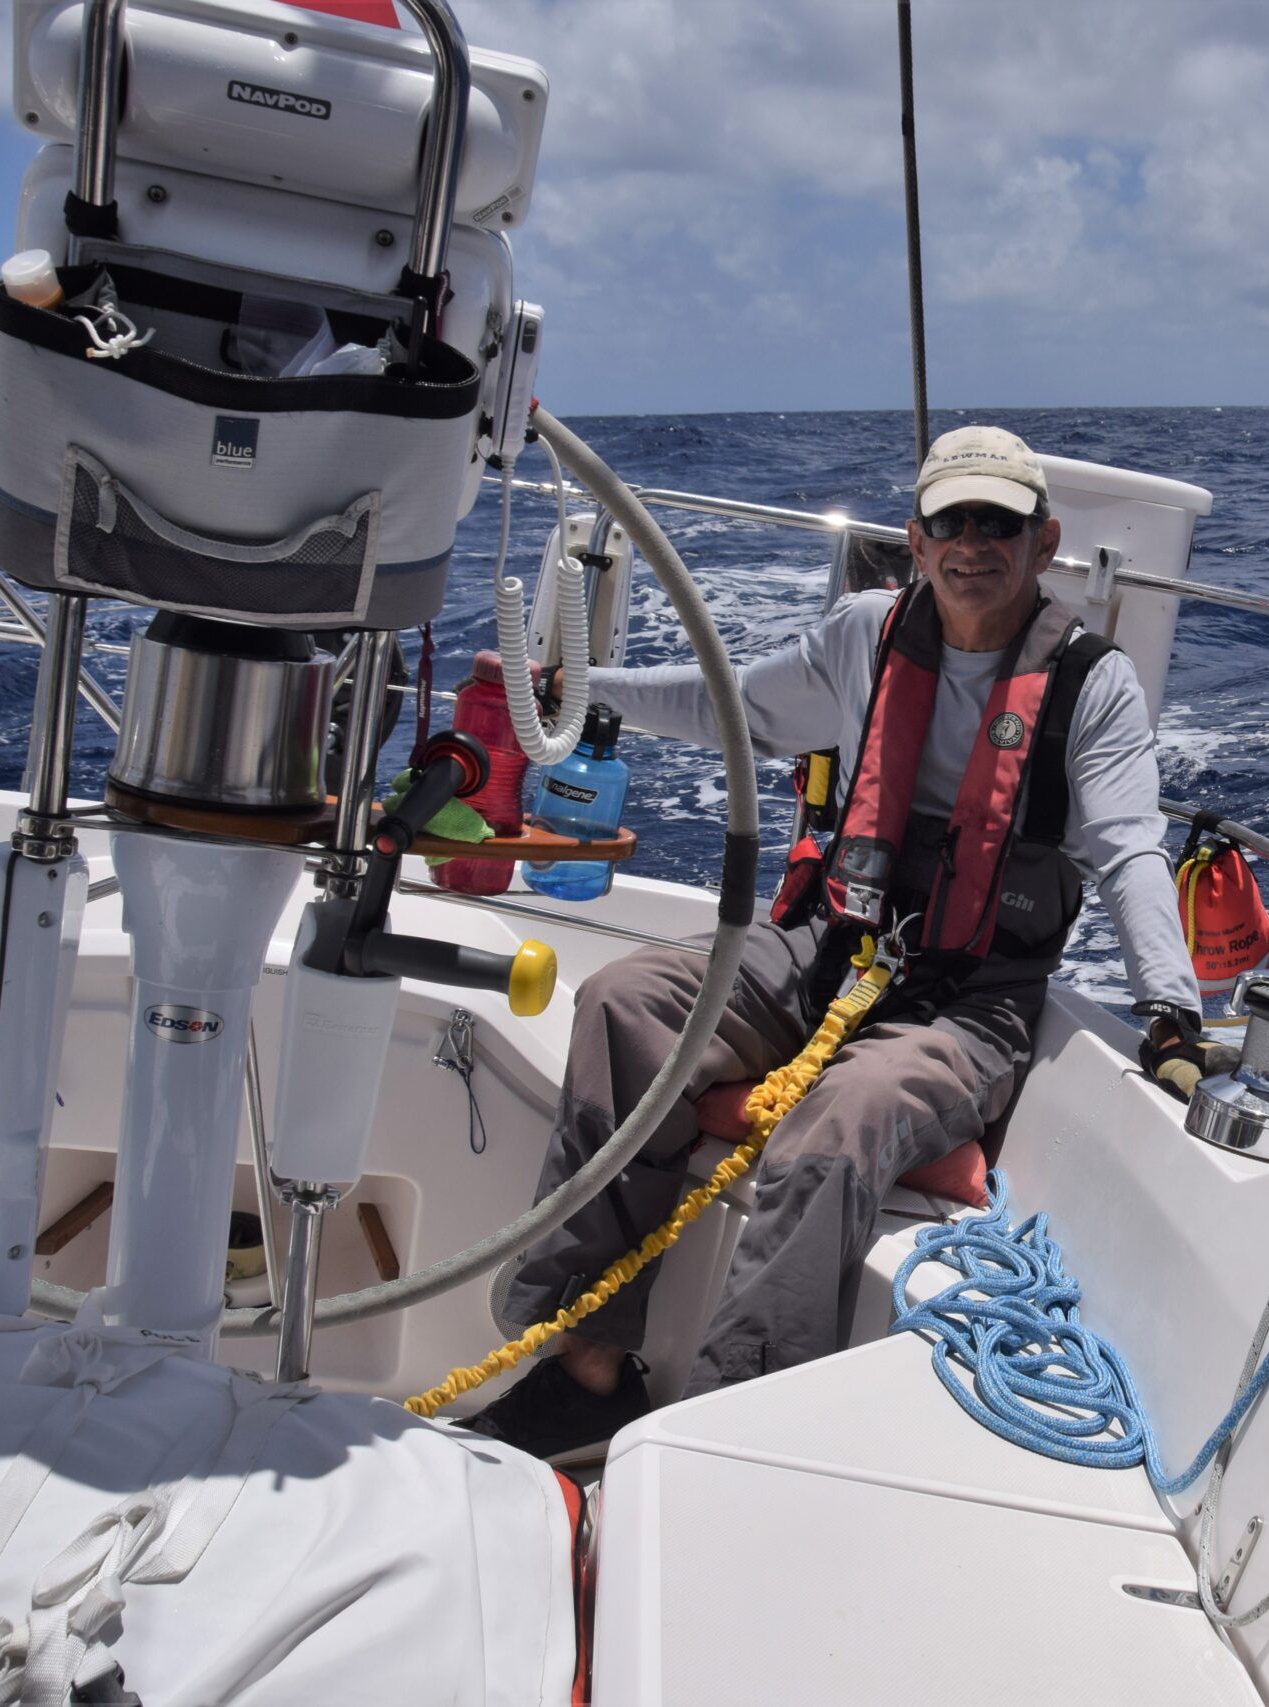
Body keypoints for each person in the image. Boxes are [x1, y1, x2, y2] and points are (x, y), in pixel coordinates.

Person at [465, 426, 1225, 1459]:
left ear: (1042, 544)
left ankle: (732, 1430)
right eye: (950, 521)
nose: (972, 543)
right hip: (830, 944)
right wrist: (580, 691)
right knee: (626, 1002)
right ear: (914, 540)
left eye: (997, 523)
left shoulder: (1093, 685)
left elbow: (1132, 849)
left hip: (971, 1000)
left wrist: (1171, 1013)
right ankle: (585, 1368)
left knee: (843, 1115)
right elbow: (729, 710)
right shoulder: (865, 633)